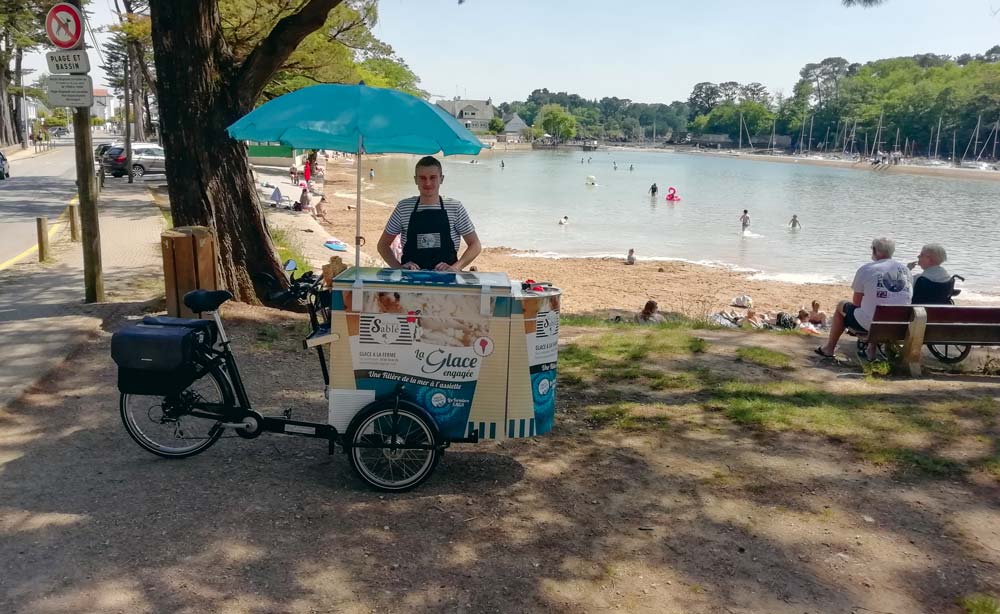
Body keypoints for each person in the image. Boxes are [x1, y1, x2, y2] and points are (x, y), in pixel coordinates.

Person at [376, 156, 481, 271]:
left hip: (448, 281)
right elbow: (383, 245)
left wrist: (455, 268)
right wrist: (399, 268)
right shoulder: (403, 207)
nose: (428, 182)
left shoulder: (455, 207)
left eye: (433, 177)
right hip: (410, 282)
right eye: (422, 178)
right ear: (416, 180)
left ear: (441, 179)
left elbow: (475, 245)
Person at [816, 237, 913, 359]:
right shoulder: (906, 271)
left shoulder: (867, 269)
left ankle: (829, 348)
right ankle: (870, 349)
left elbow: (857, 303)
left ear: (874, 250)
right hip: (899, 325)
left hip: (872, 325)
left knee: (842, 306)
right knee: (876, 306)